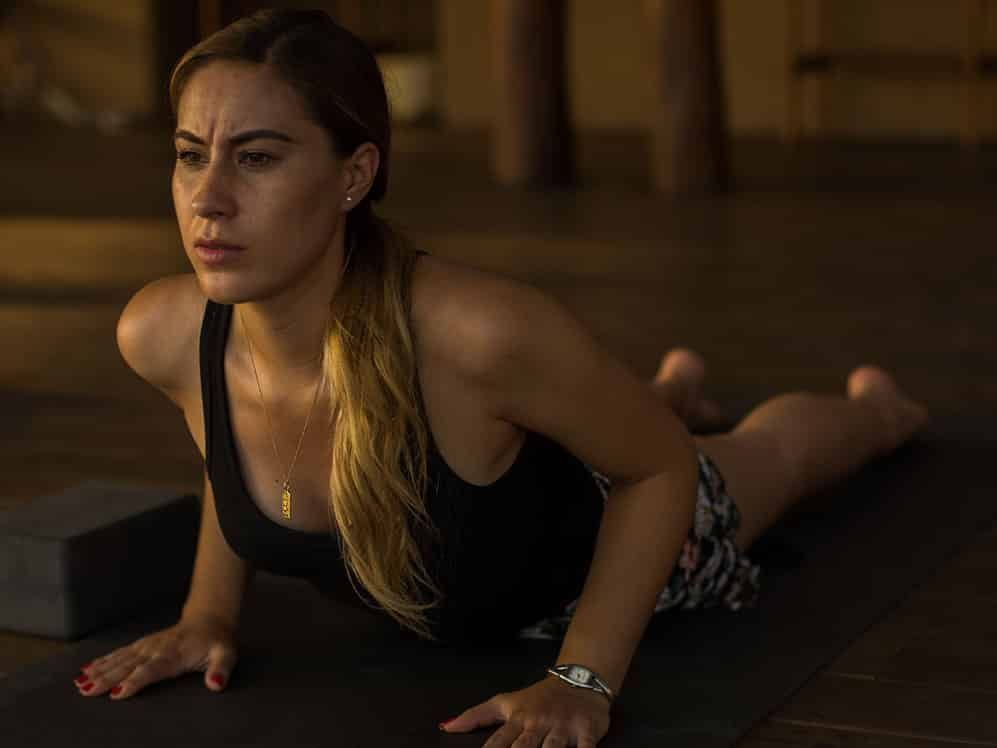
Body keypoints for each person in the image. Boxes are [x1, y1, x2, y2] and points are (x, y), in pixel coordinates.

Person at [72, 8, 930, 745]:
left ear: (354, 176)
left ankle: (876, 410)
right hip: (499, 469)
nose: (207, 198)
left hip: (600, 544)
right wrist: (206, 617)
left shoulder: (476, 333)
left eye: (256, 158)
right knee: (603, 412)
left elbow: (658, 470)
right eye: (191, 155)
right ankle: (660, 388)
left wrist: (583, 679)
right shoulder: (165, 332)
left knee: (764, 453)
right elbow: (236, 450)